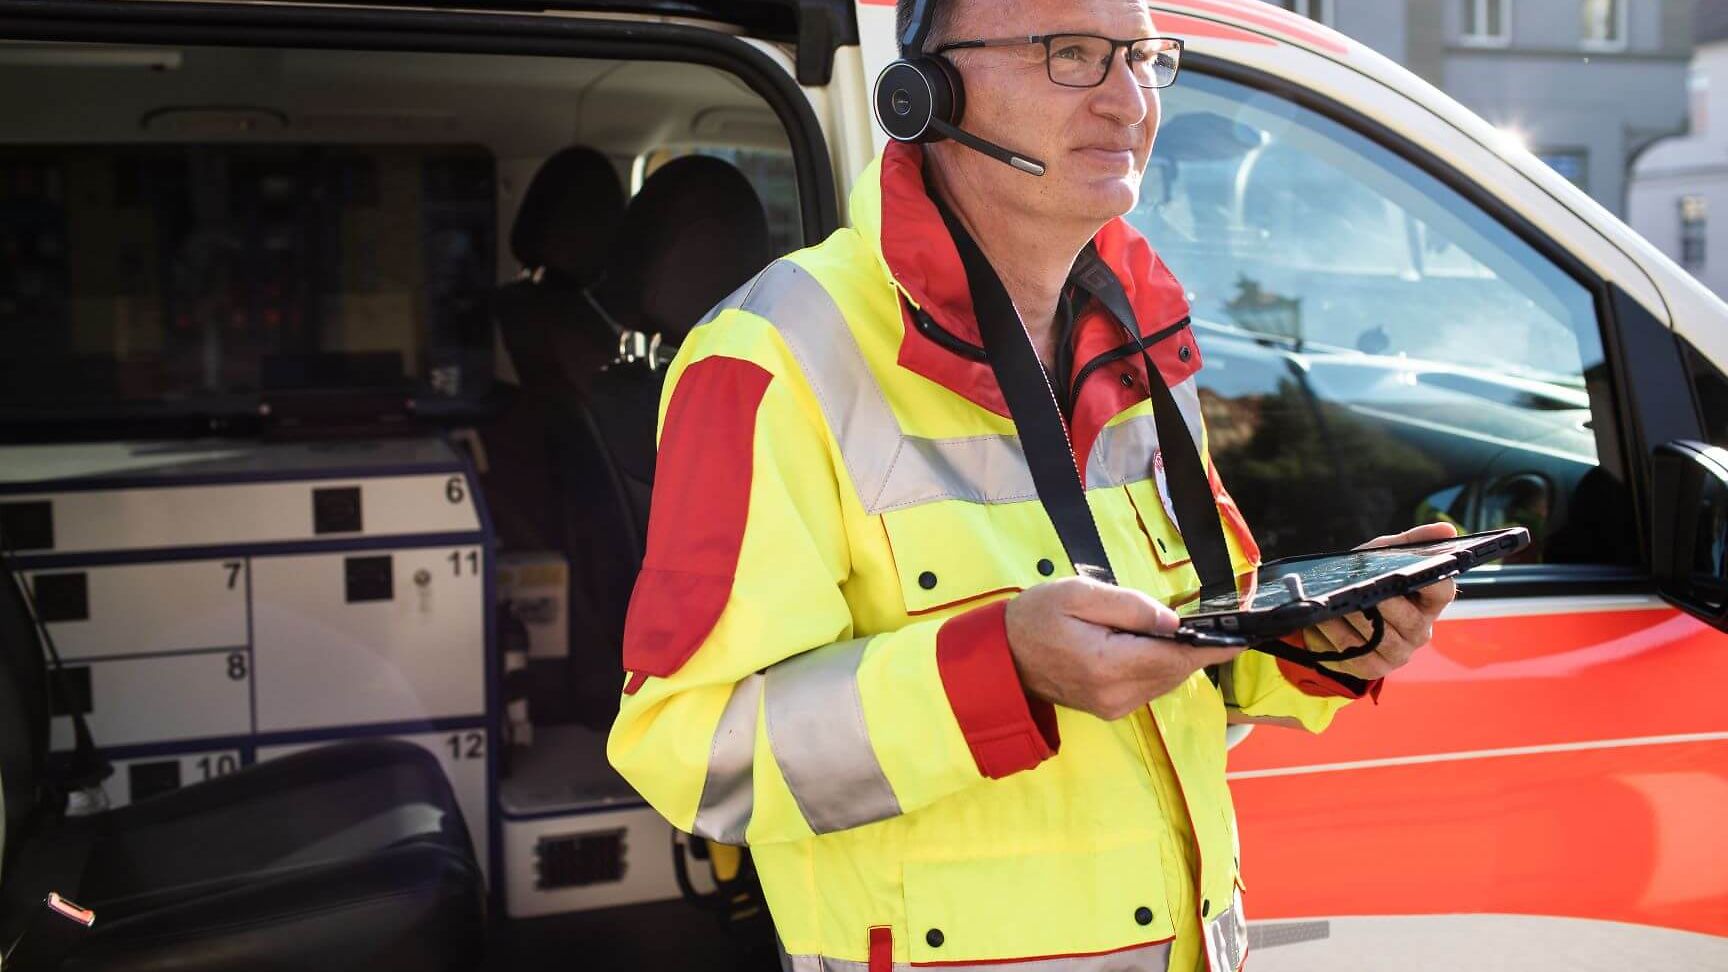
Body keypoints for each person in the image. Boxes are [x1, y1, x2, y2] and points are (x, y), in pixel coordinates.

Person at [608, 1, 1456, 969]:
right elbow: (689, 746)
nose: (1130, 99)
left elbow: (1185, 659)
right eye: (1074, 56)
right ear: (926, 90)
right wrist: (1003, 672)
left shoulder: (1140, 340)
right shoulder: (776, 358)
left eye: (1142, 57)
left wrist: (1320, 638)